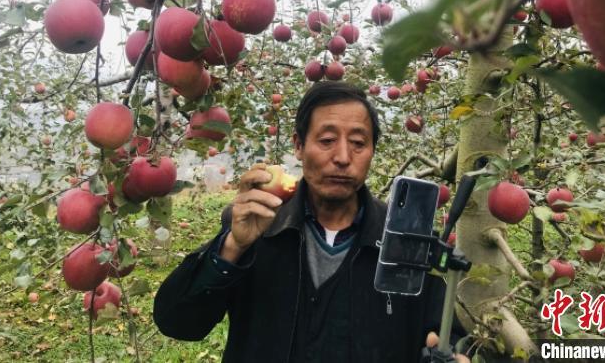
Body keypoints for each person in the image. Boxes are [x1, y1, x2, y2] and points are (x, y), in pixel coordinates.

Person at [154, 81, 470, 362]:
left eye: (359, 143)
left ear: (372, 151)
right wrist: (232, 248)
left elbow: (445, 334)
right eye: (327, 140)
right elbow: (178, 323)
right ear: (298, 145)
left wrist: (450, 351)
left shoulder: (406, 238)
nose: (344, 157)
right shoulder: (258, 226)